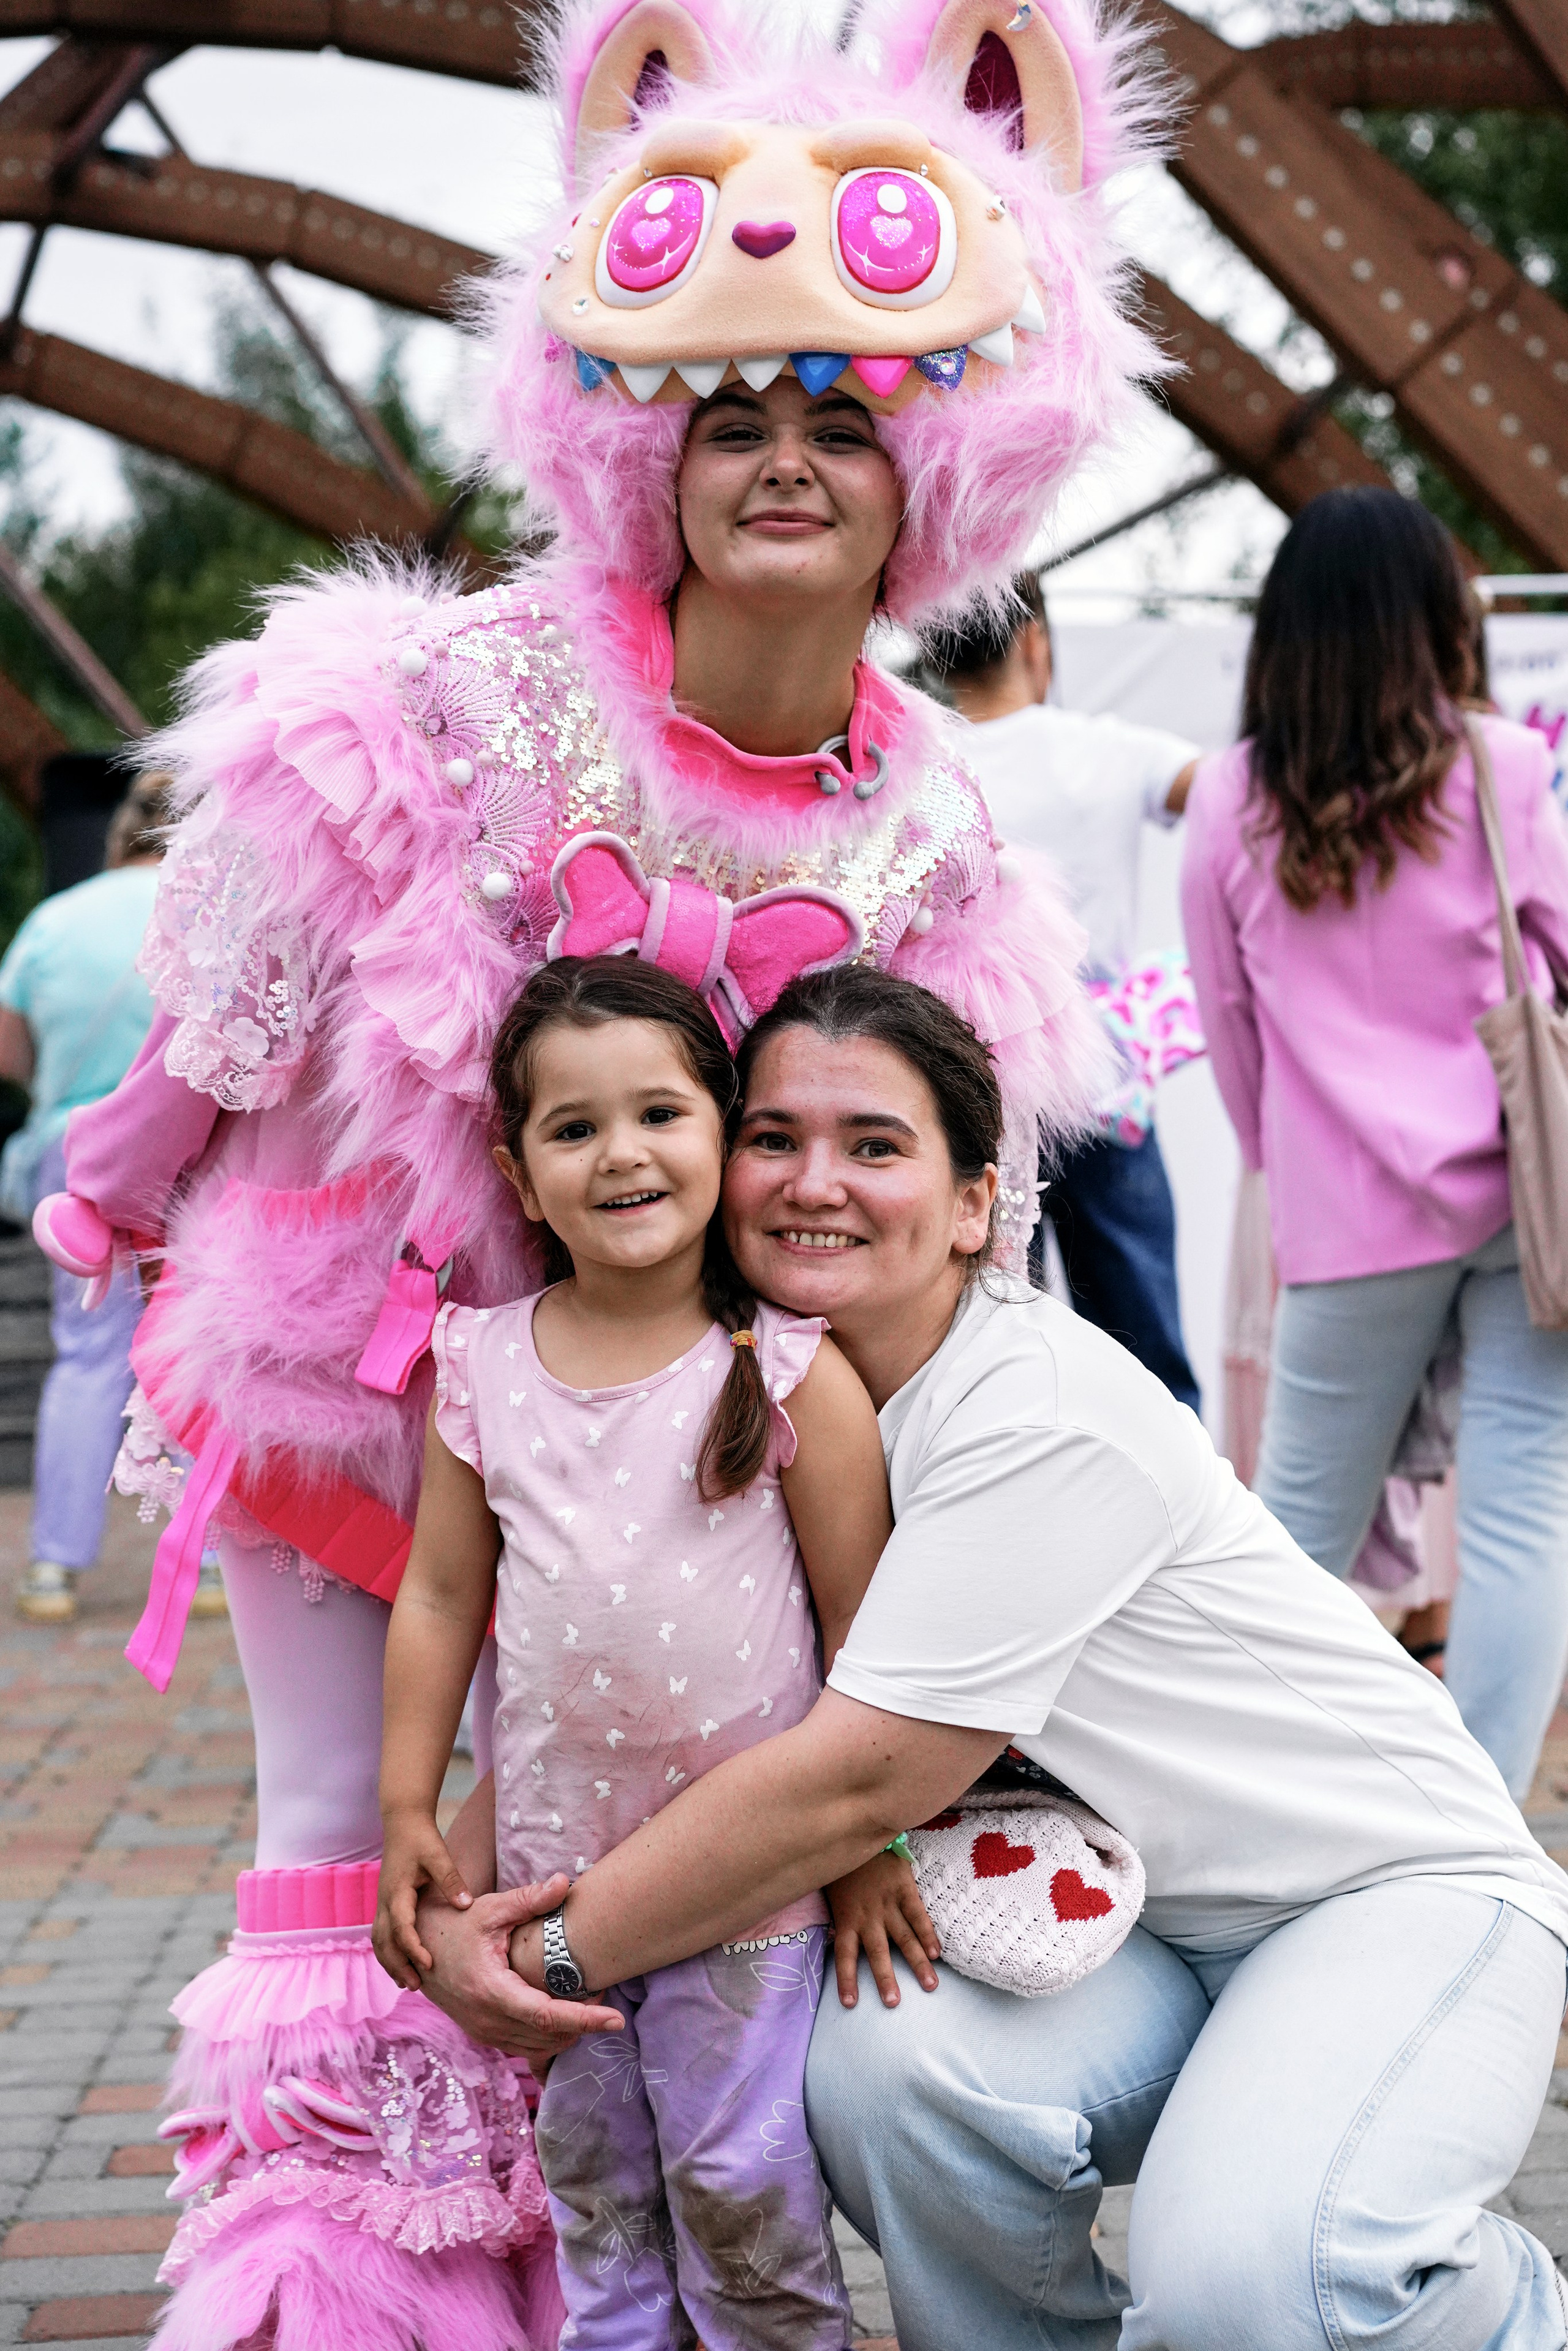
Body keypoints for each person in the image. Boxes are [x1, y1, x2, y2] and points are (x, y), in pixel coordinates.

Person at [29, 1, 1139, 2339]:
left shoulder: (934, 803)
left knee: (618, 1896)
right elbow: (253, 912)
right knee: (357, 1853)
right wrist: (121, 1175)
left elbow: (974, 1174)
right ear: (641, 443)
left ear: (938, 474)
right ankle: (340, 2301)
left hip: (691, 1449)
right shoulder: (480, 682)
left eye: (844, 419)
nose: (784, 461)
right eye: (730, 412)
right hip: (369, 1371)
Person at [406, 962, 1568, 2351]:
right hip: (1126, 1924)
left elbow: (847, 1783)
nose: (810, 1180)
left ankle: (1498, 2306)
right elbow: (647, 1695)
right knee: (883, 2079)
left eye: (875, 1145)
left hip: (1382, 1896)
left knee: (1262, 2292)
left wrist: (539, 1952)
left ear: (974, 1204)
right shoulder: (754, 1396)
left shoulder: (1038, 1411)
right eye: (774, 1134)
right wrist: (454, 1853)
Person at [377, 954, 933, 2347]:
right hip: (554, 1878)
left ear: (720, 1129)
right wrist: (405, 1808)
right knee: (600, 2197)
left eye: (658, 1114)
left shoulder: (793, 1372)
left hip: (753, 1885)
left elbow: (869, 1637)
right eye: (573, 1128)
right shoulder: (481, 1365)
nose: (620, 1152)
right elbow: (442, 1596)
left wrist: (868, 1849)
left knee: (741, 2183)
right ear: (519, 1172)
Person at [1182, 486, 1568, 1800]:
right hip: (1526, 1196)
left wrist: (1290, 1167)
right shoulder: (1500, 766)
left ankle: (1261, 1804)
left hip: (1346, 1220)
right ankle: (1482, 1830)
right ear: (1437, 621)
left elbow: (1229, 1035)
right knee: (1524, 1520)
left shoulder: (1229, 797)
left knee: (1292, 1533)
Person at [931, 575, 1202, 1409]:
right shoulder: (1108, 749)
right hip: (1100, 1078)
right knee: (1145, 1343)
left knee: (990, 1347)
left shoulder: (923, 764)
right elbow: (1236, 799)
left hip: (966, 1088)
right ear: (1035, 641)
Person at [0, 775, 224, 1625]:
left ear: (117, 838)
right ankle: (209, 1558)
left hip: (76, 1153)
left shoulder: (51, 923)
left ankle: (54, 1566)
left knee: (88, 1351)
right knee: (201, 1348)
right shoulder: (214, 911)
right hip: (196, 1147)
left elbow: (10, 1056)